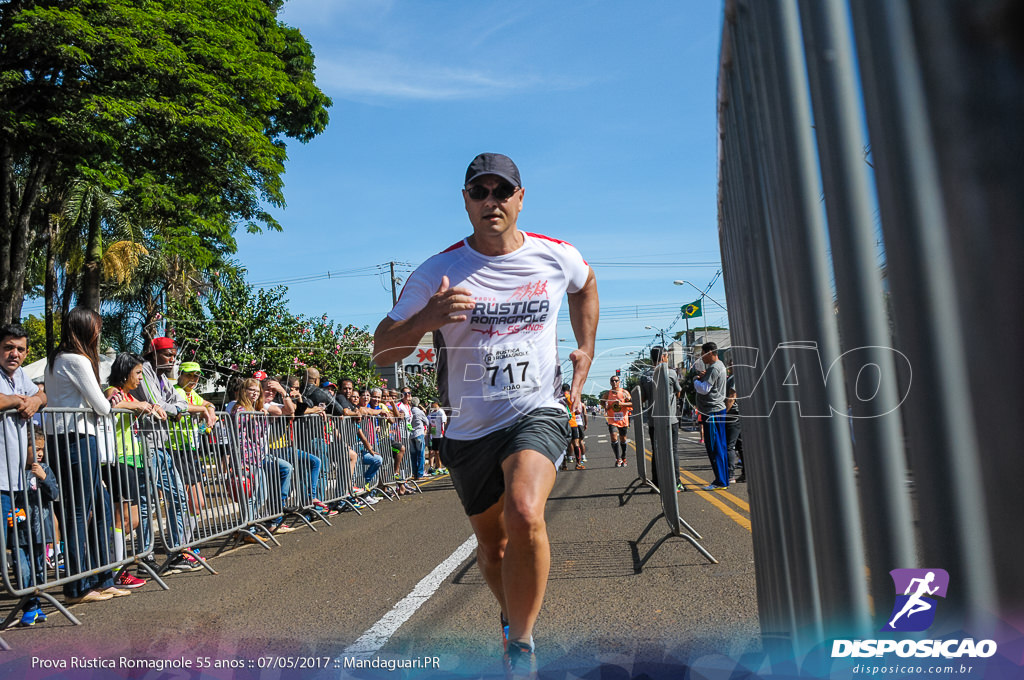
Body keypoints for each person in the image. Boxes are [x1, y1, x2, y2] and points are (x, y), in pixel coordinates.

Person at [373, 152, 599, 678]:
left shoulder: (555, 256)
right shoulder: (437, 271)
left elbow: (585, 285)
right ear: (466, 201)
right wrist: (426, 318)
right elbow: (383, 350)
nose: (491, 201)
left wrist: (586, 350)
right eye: (480, 192)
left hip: (536, 410)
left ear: (520, 198)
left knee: (524, 512)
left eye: (502, 191)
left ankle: (521, 646)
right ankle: (511, 617)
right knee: (493, 548)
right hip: (469, 427)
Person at [44, 307, 130, 603]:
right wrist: (108, 399)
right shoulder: (77, 359)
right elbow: (102, 407)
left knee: (102, 505)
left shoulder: (56, 360)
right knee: (80, 511)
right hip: (76, 439)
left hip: (67, 439)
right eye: (96, 326)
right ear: (85, 329)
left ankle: (102, 578)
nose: (99, 331)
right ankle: (78, 587)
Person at [129, 337, 199, 573]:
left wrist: (175, 409)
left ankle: (177, 552)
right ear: (154, 353)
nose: (172, 359)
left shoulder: (163, 377)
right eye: (168, 354)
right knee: (147, 503)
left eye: (174, 354)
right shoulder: (146, 371)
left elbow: (178, 400)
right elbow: (156, 402)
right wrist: (175, 410)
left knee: (179, 497)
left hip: (161, 445)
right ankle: (145, 557)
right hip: (145, 445)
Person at [0, 323, 53, 624]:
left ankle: (32, 600)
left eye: (20, 349)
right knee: (11, 542)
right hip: (1, 481)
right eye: (9, 347)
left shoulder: (20, 376)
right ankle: (29, 598)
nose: (14, 353)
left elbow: (43, 396)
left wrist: (34, 400)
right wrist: (14, 401)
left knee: (24, 539)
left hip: (19, 481)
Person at [103, 353, 156, 589]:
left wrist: (148, 406)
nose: (140, 379)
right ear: (125, 372)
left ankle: (113, 563)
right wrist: (138, 404)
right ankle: (116, 568)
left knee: (131, 519)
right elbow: (111, 404)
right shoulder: (113, 391)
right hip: (117, 459)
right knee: (123, 517)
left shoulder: (129, 394)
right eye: (138, 373)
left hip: (132, 459)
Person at [694, 342, 729, 490]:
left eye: (703, 354)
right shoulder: (717, 367)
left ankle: (720, 481)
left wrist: (695, 380)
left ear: (710, 353)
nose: (702, 358)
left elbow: (704, 389)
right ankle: (722, 479)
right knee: (719, 445)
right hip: (715, 411)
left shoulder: (714, 368)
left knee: (715, 446)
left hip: (712, 411)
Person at [602, 376, 631, 468]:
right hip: (612, 419)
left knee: (623, 439)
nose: (614, 382)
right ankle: (618, 458)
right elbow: (602, 401)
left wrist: (622, 404)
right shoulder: (608, 394)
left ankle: (624, 457)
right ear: (610, 382)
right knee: (614, 437)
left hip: (623, 420)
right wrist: (607, 407)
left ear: (619, 382)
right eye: (612, 381)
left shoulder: (624, 393)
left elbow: (632, 403)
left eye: (616, 380)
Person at [426, 401, 448, 476]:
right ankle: (438, 467)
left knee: (439, 452)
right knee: (435, 452)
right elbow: (430, 423)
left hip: (440, 435)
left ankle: (441, 467)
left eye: (432, 403)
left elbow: (444, 423)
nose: (431, 405)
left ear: (436, 403)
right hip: (434, 435)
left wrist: (444, 433)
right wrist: (430, 433)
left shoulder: (441, 412)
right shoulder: (431, 413)